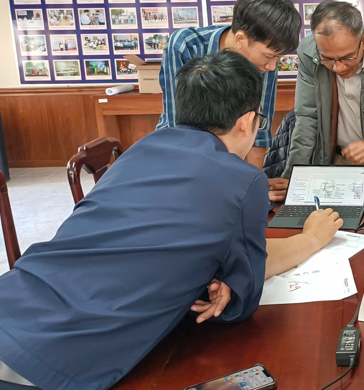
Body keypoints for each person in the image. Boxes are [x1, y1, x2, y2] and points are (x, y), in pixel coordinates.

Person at [0, 51, 343, 390]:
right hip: (53, 362)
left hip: (15, 298)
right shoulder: (243, 180)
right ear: (246, 122)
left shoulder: (140, 148)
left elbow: (154, 239)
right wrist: (312, 238)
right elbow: (241, 297)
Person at [269, 0, 364, 201]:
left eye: (347, 58)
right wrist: (294, 175)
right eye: (327, 59)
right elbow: (307, 117)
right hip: (335, 160)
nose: (338, 68)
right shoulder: (309, 53)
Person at [157, 0, 301, 170]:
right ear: (240, 39)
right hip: (180, 154)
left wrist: (256, 180)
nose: (272, 66)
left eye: (278, 58)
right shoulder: (184, 46)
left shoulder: (265, 62)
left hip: (234, 149)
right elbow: (178, 127)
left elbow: (259, 130)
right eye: (270, 56)